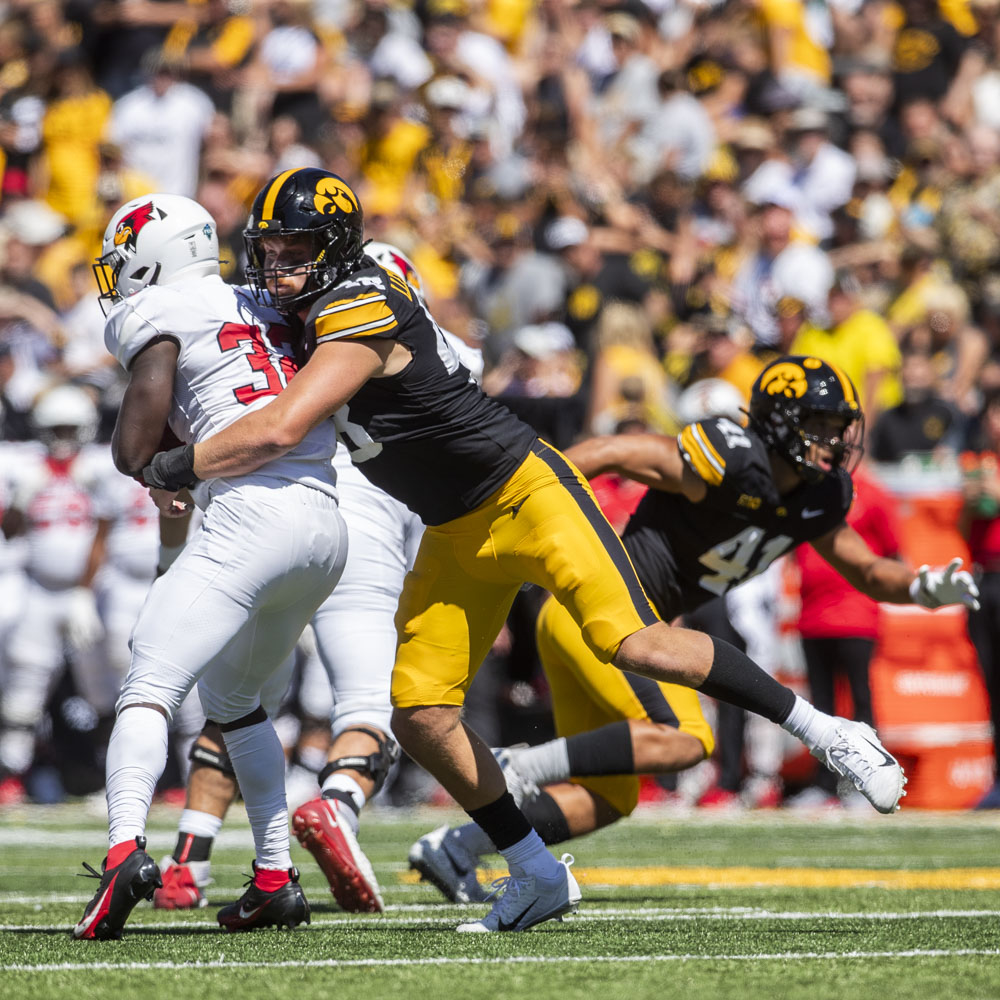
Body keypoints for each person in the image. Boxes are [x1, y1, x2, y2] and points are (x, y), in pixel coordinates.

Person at [141, 169, 964, 933]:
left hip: (522, 490)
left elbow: (284, 423)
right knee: (420, 715)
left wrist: (169, 463)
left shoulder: (359, 300)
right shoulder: (303, 306)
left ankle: (826, 731)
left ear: (339, 252)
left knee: (633, 641)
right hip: (453, 524)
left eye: (297, 248)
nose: (279, 263)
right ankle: (532, 871)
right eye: (270, 248)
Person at [407, 356, 980, 901]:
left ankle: (457, 847)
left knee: (609, 796)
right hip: (609, 621)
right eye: (820, 426)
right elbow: (610, 450)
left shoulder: (817, 496)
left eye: (839, 428)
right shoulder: (730, 458)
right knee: (688, 739)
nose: (835, 441)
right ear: (780, 423)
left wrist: (924, 588)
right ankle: (520, 766)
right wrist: (529, 511)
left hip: (617, 634)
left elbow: (868, 570)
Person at [153, 241, 484, 915]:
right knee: (369, 707)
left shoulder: (292, 329)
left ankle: (189, 857)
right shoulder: (436, 345)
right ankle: (338, 804)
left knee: (239, 699)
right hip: (364, 526)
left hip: (275, 516)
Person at [73, 193, 348, 941]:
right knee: (236, 701)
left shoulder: (156, 312)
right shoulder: (259, 298)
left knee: (148, 683)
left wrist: (151, 459)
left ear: (154, 257)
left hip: (252, 516)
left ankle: (125, 850)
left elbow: (136, 448)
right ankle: (272, 878)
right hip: (325, 522)